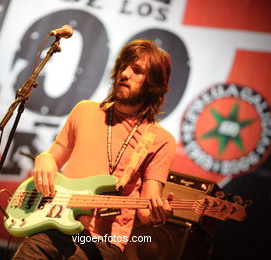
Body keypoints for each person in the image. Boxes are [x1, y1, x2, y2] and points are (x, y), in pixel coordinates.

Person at [13, 39, 176, 259]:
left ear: (153, 84)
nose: (125, 73)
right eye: (123, 66)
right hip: (54, 226)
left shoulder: (160, 140)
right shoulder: (85, 111)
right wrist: (43, 158)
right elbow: (53, 157)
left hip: (104, 242)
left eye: (136, 70)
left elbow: (147, 210)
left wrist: (157, 214)